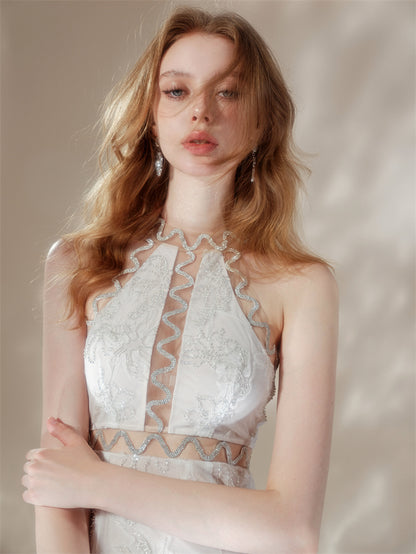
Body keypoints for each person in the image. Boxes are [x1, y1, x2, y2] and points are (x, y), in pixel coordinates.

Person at [22, 7, 338, 554]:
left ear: (262, 120)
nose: (201, 111)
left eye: (228, 92)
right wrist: (74, 481)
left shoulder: (302, 285)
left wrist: (95, 482)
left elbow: (292, 532)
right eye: (176, 91)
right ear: (151, 115)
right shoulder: (77, 265)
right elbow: (55, 483)